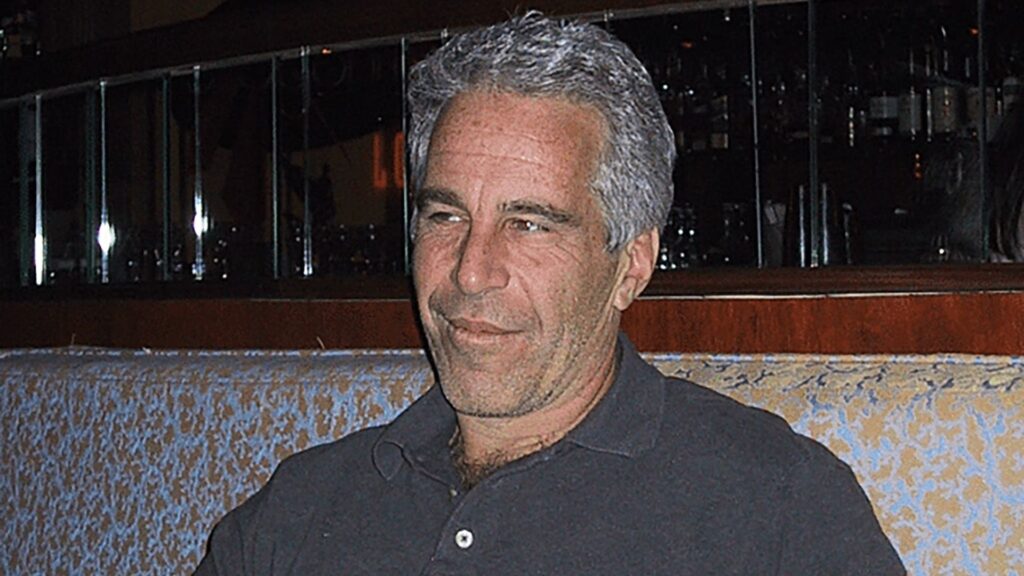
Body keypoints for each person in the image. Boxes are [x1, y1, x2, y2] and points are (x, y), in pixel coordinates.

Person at [195, 13, 904, 575]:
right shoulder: (298, 510)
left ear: (631, 264)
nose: (471, 273)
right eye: (445, 216)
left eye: (529, 223)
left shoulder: (774, 507)